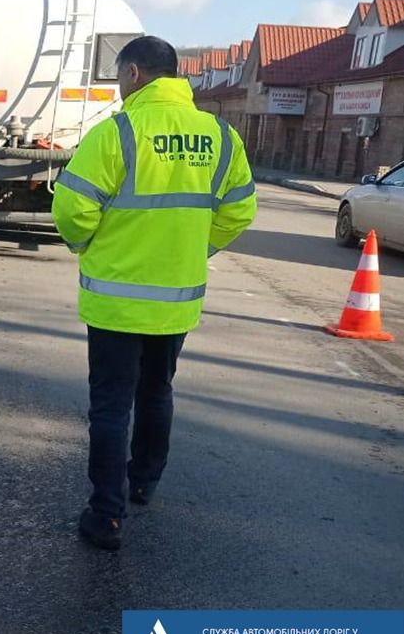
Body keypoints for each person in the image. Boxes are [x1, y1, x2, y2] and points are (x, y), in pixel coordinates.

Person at [52, 35, 256, 550]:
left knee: (112, 405)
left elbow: (71, 210)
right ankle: (144, 480)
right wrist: (196, 249)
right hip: (177, 300)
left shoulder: (118, 130)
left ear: (136, 74)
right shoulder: (220, 135)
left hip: (117, 299)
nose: (119, 87)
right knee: (158, 391)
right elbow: (239, 210)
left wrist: (89, 247)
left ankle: (106, 515)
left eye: (120, 76)